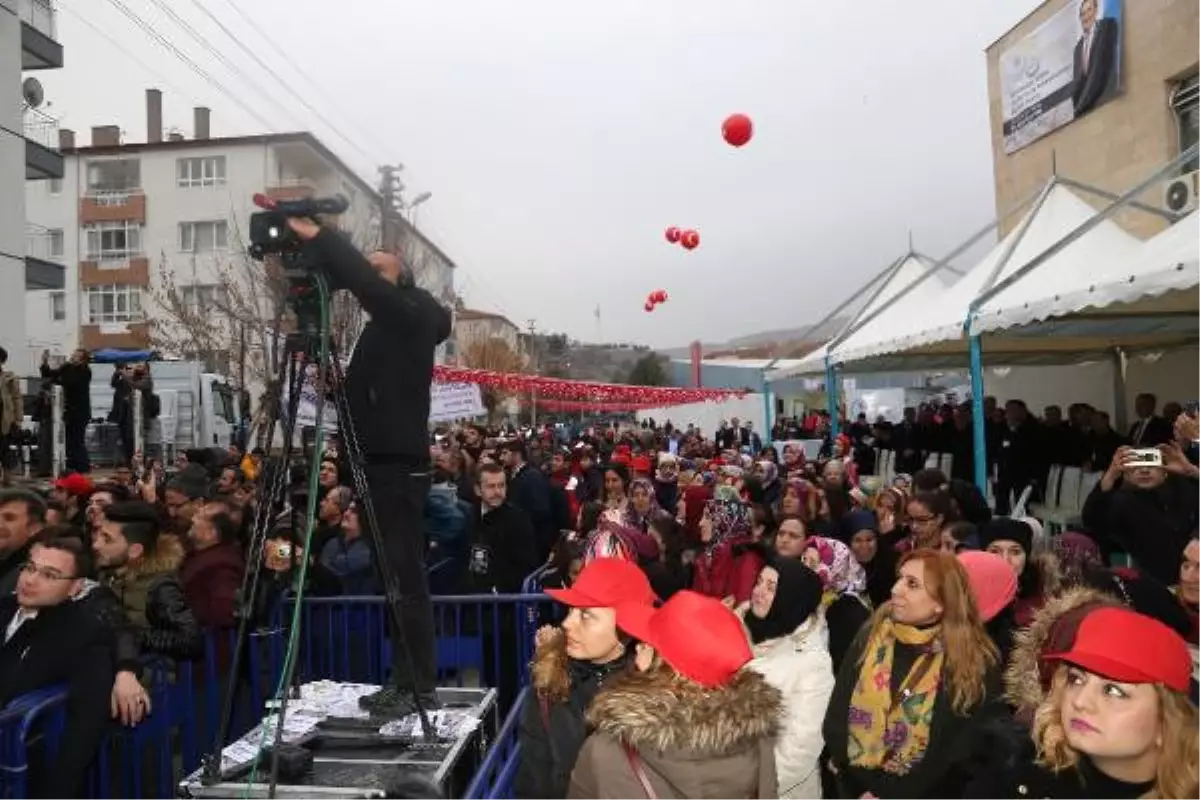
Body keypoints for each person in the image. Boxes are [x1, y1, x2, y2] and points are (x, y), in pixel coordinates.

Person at [286, 216, 451, 717]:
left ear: (401, 276)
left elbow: (370, 288)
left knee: (404, 578)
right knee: (391, 581)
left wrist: (329, 241)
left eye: (378, 267)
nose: (366, 275)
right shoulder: (385, 327)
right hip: (372, 460)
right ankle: (404, 679)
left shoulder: (416, 311)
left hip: (397, 466)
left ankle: (419, 685)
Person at [823, 550, 1004, 799]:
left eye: (912, 584)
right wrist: (862, 788)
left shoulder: (974, 661)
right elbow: (836, 720)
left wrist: (891, 794)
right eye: (900, 578)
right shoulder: (873, 634)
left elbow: (961, 753)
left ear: (941, 602)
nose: (896, 589)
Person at [568, 590, 783, 799]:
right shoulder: (758, 742)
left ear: (666, 670)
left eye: (648, 644)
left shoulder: (605, 754)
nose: (638, 648)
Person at [970, 606, 1198, 799]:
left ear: (1166, 721)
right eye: (1076, 679)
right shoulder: (1011, 777)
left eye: (1113, 690)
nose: (1080, 701)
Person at [516, 558, 658, 800]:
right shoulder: (547, 684)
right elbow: (533, 784)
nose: (567, 623)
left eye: (586, 615)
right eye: (571, 610)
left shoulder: (656, 695)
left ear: (626, 628)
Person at [0, 538, 114, 799]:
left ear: (75, 587)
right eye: (29, 568)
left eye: (49, 575)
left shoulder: (84, 634)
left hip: (21, 764)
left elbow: (85, 727)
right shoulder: (4, 608)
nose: (30, 580)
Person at [740, 559, 835, 799]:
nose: (758, 591)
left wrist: (752, 790)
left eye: (772, 587)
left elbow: (799, 751)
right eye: (759, 581)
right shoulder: (741, 625)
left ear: (791, 597)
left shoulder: (813, 664)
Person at [40, 348, 93, 473]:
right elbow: (49, 374)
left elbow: (72, 382)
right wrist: (44, 362)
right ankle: (72, 465)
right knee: (68, 439)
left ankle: (83, 467)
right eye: (73, 354)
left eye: (76, 355)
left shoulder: (85, 371)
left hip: (80, 411)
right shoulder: (67, 367)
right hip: (68, 410)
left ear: (82, 359)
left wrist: (59, 381)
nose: (73, 357)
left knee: (77, 440)